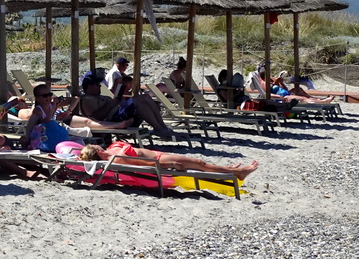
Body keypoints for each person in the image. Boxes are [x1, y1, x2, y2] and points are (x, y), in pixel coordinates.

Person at [78, 142, 259, 181]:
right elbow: (142, 165)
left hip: (156, 154)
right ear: (97, 151)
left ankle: (228, 168)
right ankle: (237, 173)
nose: (94, 142)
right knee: (198, 163)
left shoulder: (111, 151)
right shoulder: (115, 157)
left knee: (197, 162)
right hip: (158, 159)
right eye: (92, 145)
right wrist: (168, 165)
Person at [79, 73, 177, 141]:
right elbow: (96, 117)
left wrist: (117, 101)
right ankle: (159, 128)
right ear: (89, 86)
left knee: (145, 98)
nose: (100, 86)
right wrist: (111, 104)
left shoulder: (98, 96)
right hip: (114, 119)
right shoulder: (88, 99)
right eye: (97, 84)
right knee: (139, 101)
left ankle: (162, 127)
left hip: (119, 112)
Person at [19, 84, 86, 151]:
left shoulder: (51, 105)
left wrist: (68, 111)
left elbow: (76, 99)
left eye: (50, 94)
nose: (48, 97)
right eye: (45, 96)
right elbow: (46, 121)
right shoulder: (38, 110)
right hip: (44, 140)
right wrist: (54, 106)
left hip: (53, 136)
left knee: (79, 141)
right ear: (37, 98)